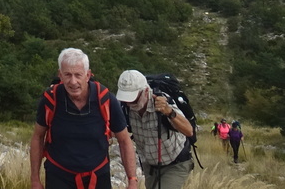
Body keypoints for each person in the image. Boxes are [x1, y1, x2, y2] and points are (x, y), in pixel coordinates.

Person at [31, 48, 139, 189]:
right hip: (58, 176)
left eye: (78, 75)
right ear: (60, 75)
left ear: (87, 75)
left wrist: (132, 180)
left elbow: (124, 140)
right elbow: (38, 137)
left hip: (98, 177)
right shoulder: (50, 99)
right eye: (67, 75)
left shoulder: (105, 99)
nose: (73, 81)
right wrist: (35, 179)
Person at [116, 70, 196, 189]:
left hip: (176, 163)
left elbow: (189, 131)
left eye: (133, 99)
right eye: (126, 99)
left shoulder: (163, 102)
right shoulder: (125, 108)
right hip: (150, 167)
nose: (129, 104)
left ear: (146, 91)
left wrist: (169, 112)